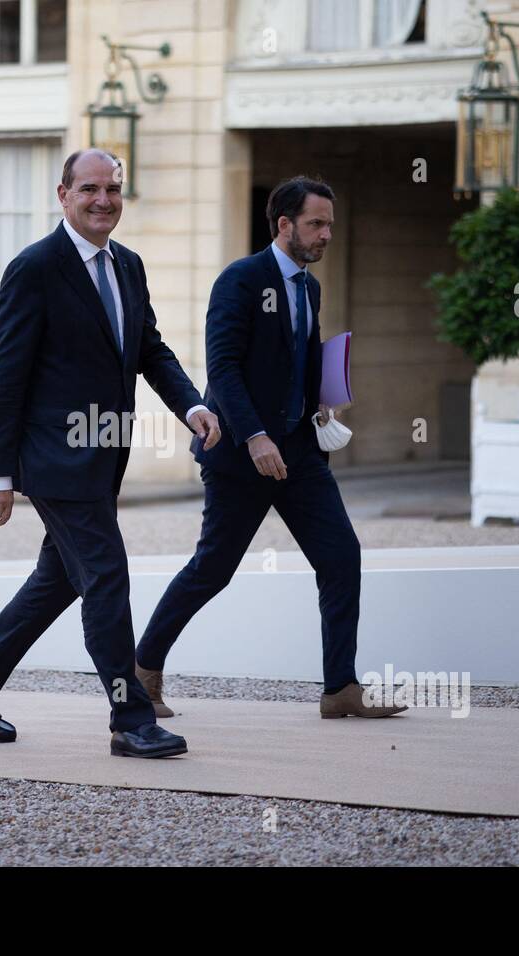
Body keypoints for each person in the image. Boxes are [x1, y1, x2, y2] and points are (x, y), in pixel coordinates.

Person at [0, 148, 223, 757]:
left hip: (102, 457)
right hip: (53, 460)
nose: (104, 200)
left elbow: (149, 349)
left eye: (113, 190)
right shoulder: (35, 268)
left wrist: (193, 406)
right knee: (106, 578)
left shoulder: (128, 265)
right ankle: (131, 717)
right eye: (90, 189)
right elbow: (4, 376)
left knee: (58, 578)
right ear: (63, 194)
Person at [133, 175, 407, 721]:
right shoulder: (240, 280)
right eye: (316, 224)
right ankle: (141, 672)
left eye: (330, 224)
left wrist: (320, 400)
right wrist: (255, 435)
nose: (327, 234)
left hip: (300, 453)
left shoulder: (309, 286)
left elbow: (299, 359)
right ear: (284, 225)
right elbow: (224, 367)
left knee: (341, 557)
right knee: (213, 569)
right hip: (240, 455)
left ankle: (340, 689)